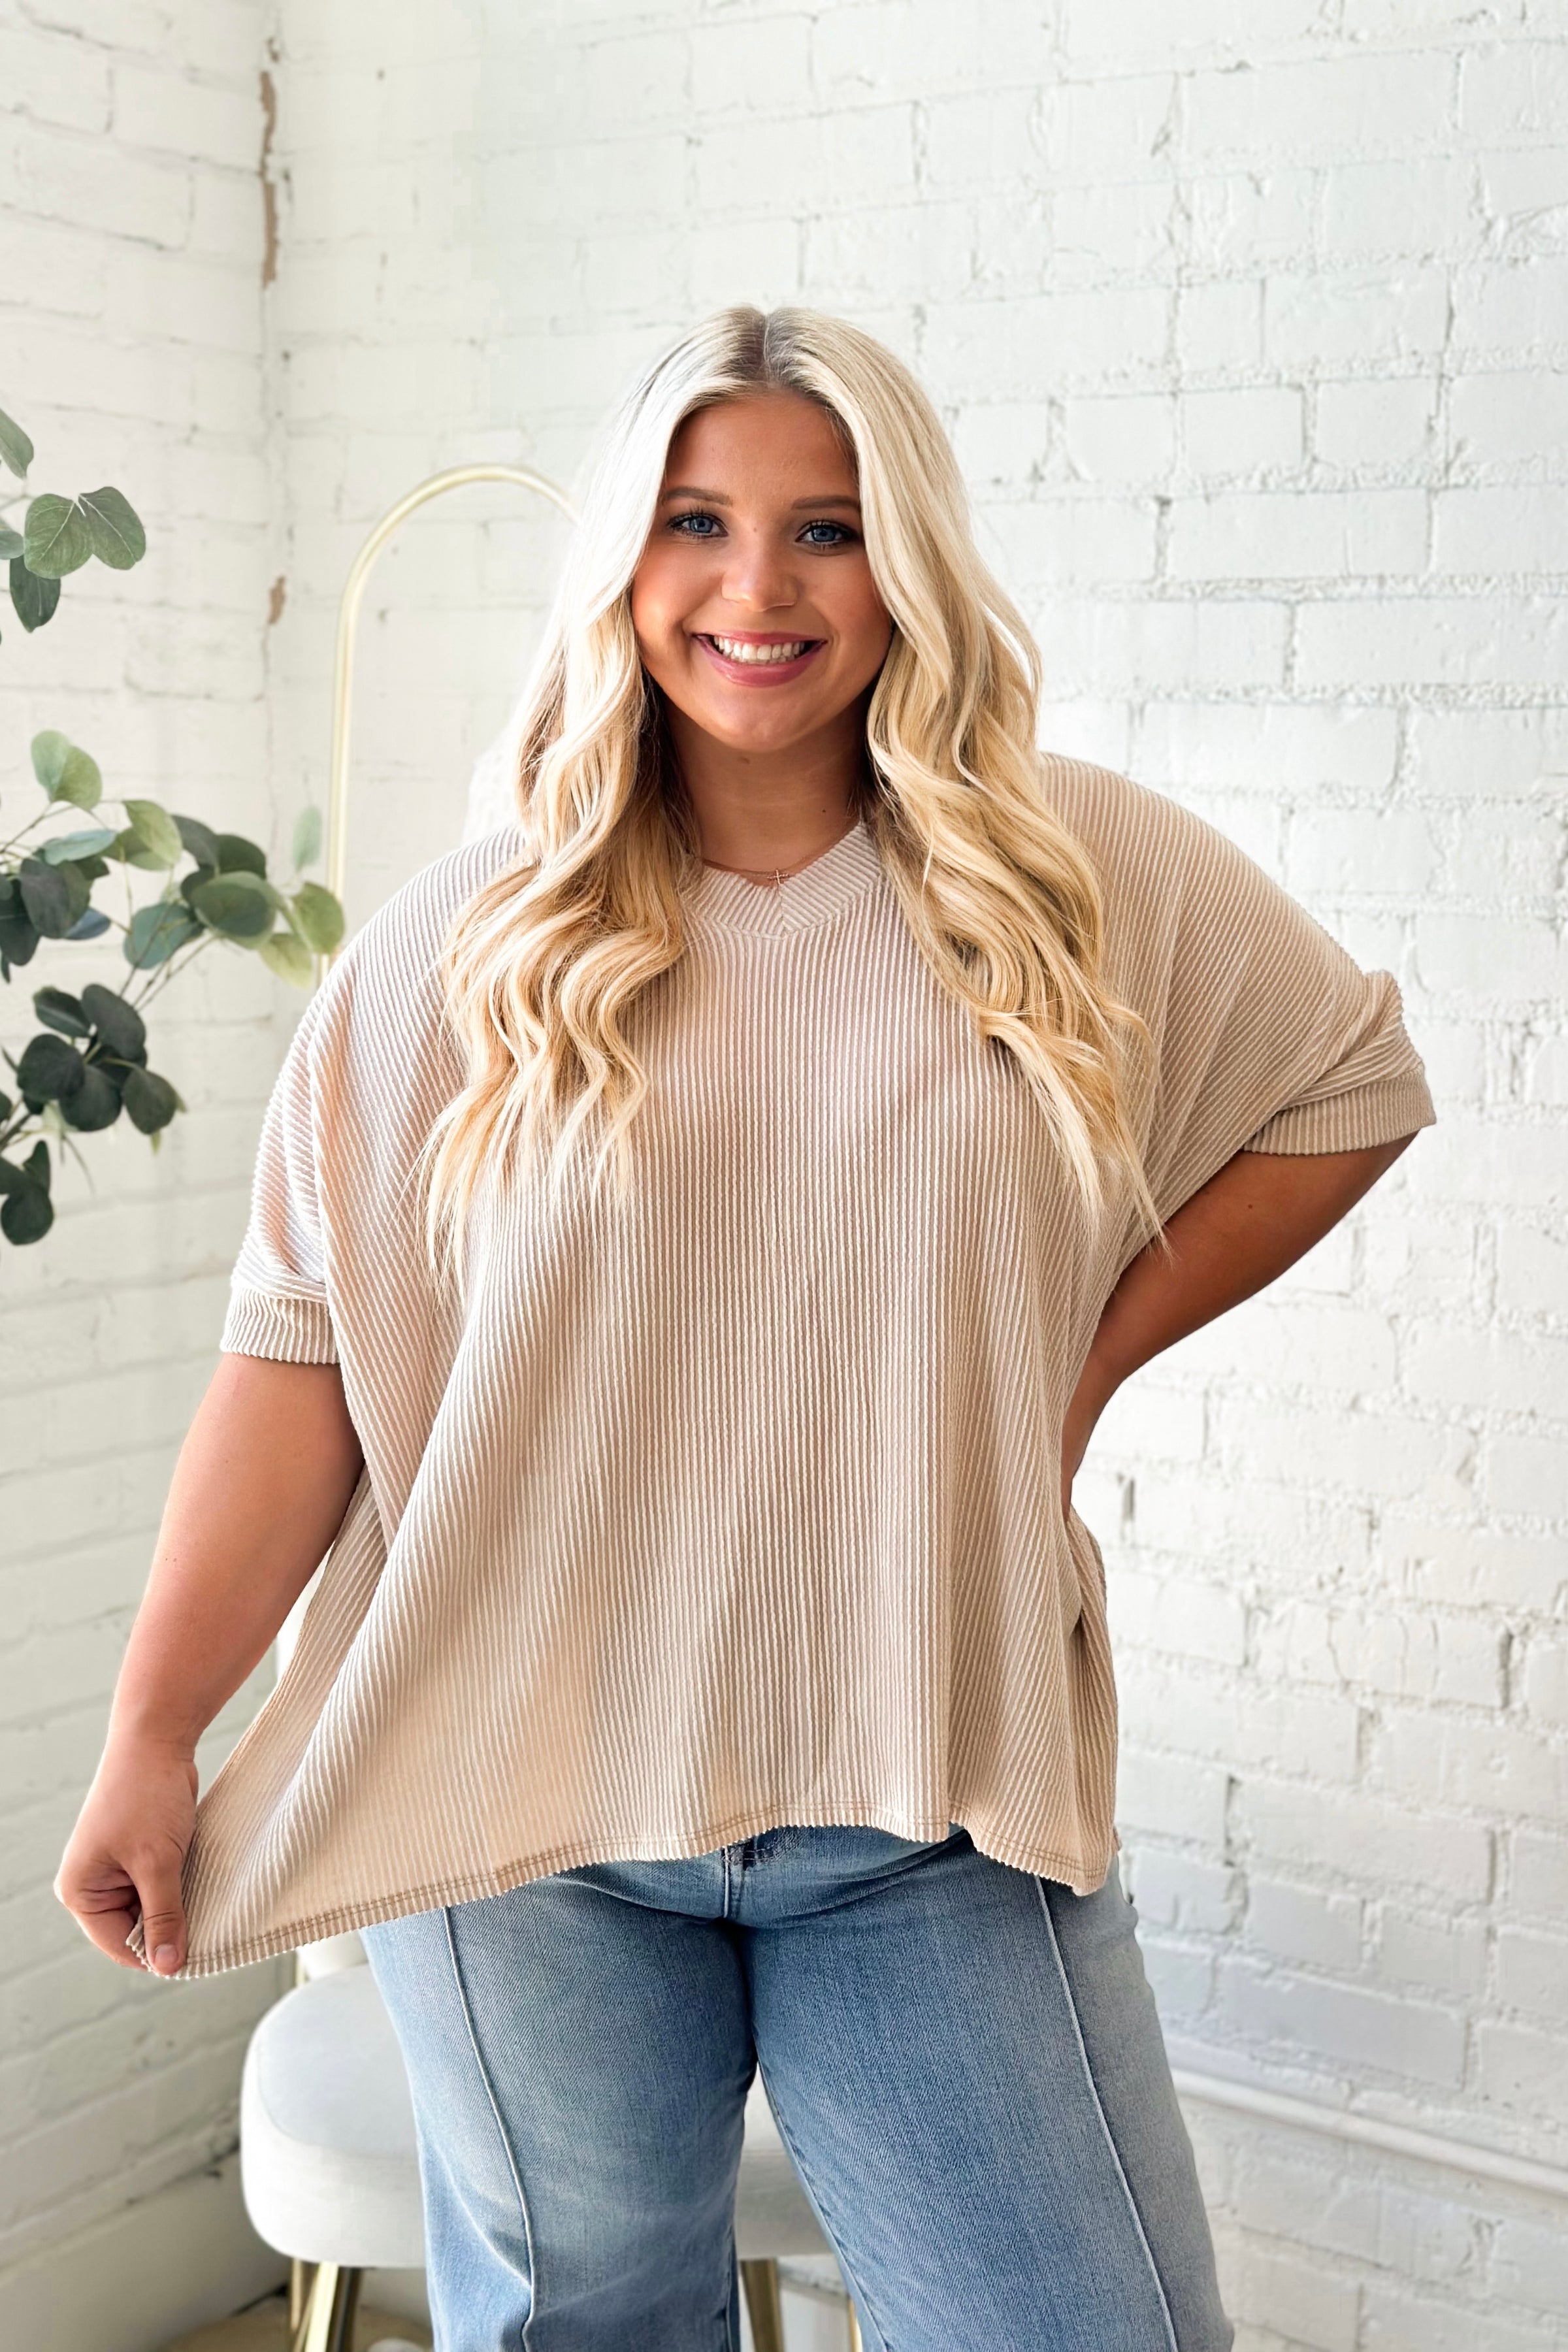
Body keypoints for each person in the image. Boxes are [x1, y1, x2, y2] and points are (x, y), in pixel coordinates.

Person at [57, 307, 1434, 2352]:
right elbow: (297, 1368)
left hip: (927, 1795)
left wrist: (1075, 1362)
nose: (758, 587)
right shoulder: (457, 950)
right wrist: (151, 1734)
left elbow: (1348, 1086)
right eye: (696, 521)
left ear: (907, 560)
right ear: (624, 558)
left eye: (827, 527)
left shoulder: (1066, 880)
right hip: (513, 1815)